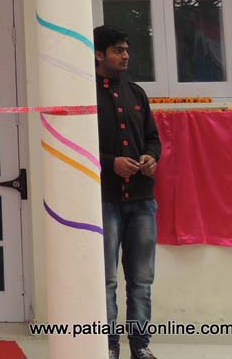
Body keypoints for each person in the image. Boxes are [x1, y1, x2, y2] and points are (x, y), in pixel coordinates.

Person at [94, 25, 162, 359]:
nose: (126, 56)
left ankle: (140, 346)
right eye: (118, 50)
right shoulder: (85, 95)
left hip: (142, 200)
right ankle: (107, 347)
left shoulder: (136, 93)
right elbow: (76, 148)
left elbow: (153, 138)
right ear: (99, 54)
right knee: (106, 279)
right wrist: (111, 163)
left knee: (141, 279)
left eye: (126, 50)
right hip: (104, 200)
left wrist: (151, 158)